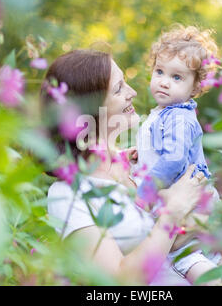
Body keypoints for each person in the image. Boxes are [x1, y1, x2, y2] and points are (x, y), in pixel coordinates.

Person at [42, 49, 212, 285]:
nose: (132, 92)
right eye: (119, 88)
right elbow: (119, 281)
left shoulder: (141, 163)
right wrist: (172, 213)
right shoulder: (69, 195)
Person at [131, 25, 222, 284]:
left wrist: (144, 193)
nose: (164, 81)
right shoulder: (165, 113)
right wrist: (138, 153)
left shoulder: (178, 117)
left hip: (188, 204)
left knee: (190, 260)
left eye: (177, 77)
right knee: (211, 258)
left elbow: (174, 159)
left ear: (195, 86)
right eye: (160, 71)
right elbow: (160, 151)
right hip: (184, 202)